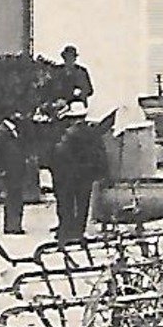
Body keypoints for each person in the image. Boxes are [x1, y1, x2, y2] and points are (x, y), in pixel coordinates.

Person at [51, 102, 106, 242]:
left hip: (69, 175)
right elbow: (100, 153)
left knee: (67, 203)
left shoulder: (69, 134)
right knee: (83, 203)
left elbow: (60, 153)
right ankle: (78, 230)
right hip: (86, 175)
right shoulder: (92, 133)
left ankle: (67, 231)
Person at [0, 112, 34, 235]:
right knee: (12, 199)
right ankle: (12, 226)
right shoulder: (1, 132)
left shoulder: (12, 131)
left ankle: (15, 224)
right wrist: (0, 170)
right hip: (8, 172)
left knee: (16, 198)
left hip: (16, 171)